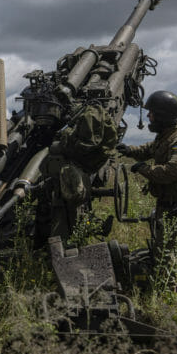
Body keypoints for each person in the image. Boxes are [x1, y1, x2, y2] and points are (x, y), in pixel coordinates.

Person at [117, 90, 177, 260]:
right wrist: (129, 150)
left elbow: (173, 171)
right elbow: (150, 149)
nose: (148, 116)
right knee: (166, 251)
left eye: (152, 113)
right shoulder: (166, 136)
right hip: (170, 203)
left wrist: (144, 169)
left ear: (162, 116)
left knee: (174, 254)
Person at [36, 103, 118, 246]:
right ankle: (64, 241)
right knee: (65, 204)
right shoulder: (92, 114)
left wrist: (65, 137)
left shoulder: (90, 115)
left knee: (66, 205)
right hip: (71, 172)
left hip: (70, 172)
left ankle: (64, 243)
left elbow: (86, 144)